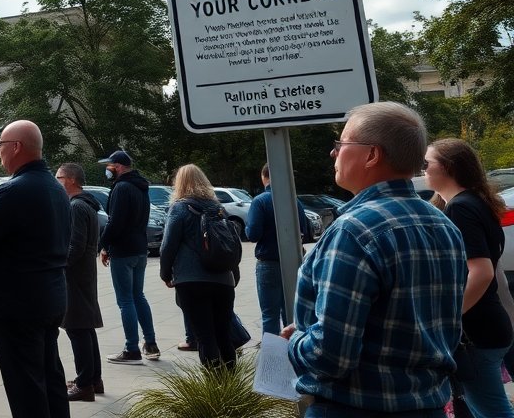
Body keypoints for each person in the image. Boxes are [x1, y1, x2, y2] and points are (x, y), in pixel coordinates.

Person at [283, 101, 466, 418]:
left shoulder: (354, 231)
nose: (333, 153)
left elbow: (331, 357)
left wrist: (296, 341)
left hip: (353, 407)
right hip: (429, 406)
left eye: (340, 144)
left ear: (371, 155)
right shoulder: (443, 225)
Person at [0, 120, 71, 417]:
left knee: (25, 385)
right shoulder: (56, 188)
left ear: (16, 147)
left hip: (18, 303)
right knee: (50, 375)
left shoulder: (13, 191)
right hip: (51, 296)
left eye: (1, 146)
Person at [424, 139, 514, 418]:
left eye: (427, 164)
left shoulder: (461, 207)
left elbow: (482, 271)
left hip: (477, 333)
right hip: (488, 327)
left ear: (448, 167)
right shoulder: (472, 202)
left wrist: (447, 319)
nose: (422, 169)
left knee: (492, 413)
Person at [158, 164, 236, 369]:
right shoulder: (219, 209)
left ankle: (215, 388)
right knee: (224, 335)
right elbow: (231, 243)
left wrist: (165, 274)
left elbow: (168, 246)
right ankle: (232, 388)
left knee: (205, 337)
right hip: (223, 280)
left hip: (192, 280)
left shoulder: (180, 208)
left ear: (179, 184)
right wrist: (232, 274)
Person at [96, 149, 160, 363]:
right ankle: (150, 344)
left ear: (120, 167)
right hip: (140, 249)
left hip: (123, 250)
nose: (107, 170)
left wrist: (103, 245)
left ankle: (131, 348)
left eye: (110, 166)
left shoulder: (122, 188)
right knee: (137, 296)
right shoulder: (140, 187)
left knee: (125, 300)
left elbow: (115, 222)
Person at [244, 163, 311, 336]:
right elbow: (305, 230)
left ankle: (273, 358)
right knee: (291, 313)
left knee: (269, 316)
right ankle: (292, 352)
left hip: (269, 263)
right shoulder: (294, 200)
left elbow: (252, 234)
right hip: (294, 262)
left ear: (263, 176)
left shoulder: (260, 201)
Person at [57, 163, 104, 402]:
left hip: (75, 275)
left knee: (77, 328)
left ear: (72, 180)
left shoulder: (76, 206)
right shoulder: (86, 204)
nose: (56, 180)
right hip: (83, 273)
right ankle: (93, 379)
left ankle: (84, 383)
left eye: (60, 177)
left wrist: (58, 265)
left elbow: (75, 245)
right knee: (84, 327)